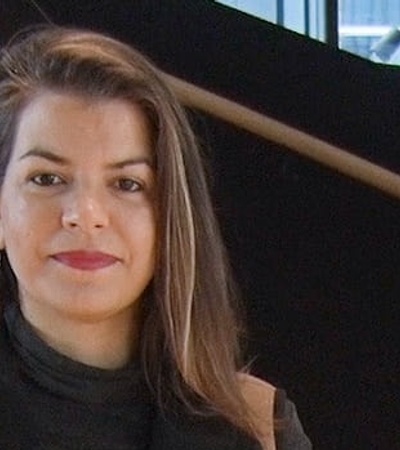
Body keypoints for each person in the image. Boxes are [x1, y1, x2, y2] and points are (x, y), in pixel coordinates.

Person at [0, 26, 311, 449]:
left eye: (127, 184)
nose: (86, 216)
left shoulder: (254, 426)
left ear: (171, 220)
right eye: (47, 178)